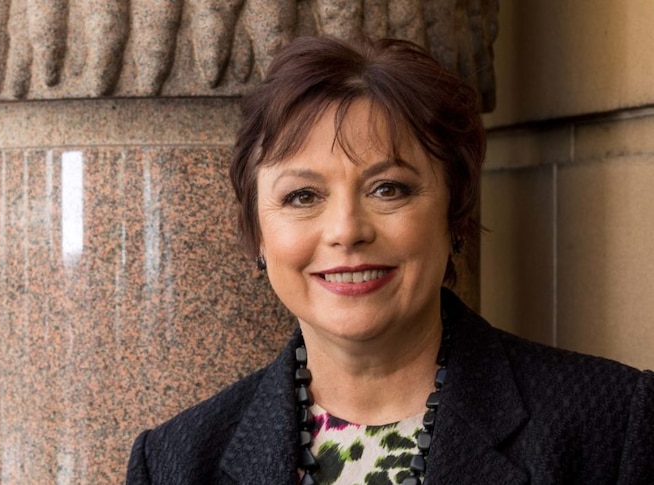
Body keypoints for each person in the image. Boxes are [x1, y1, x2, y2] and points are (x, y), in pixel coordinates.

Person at [125, 36, 654, 485]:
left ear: (454, 212)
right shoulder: (178, 462)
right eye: (303, 196)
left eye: (388, 188)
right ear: (258, 234)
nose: (347, 231)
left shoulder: (611, 425)